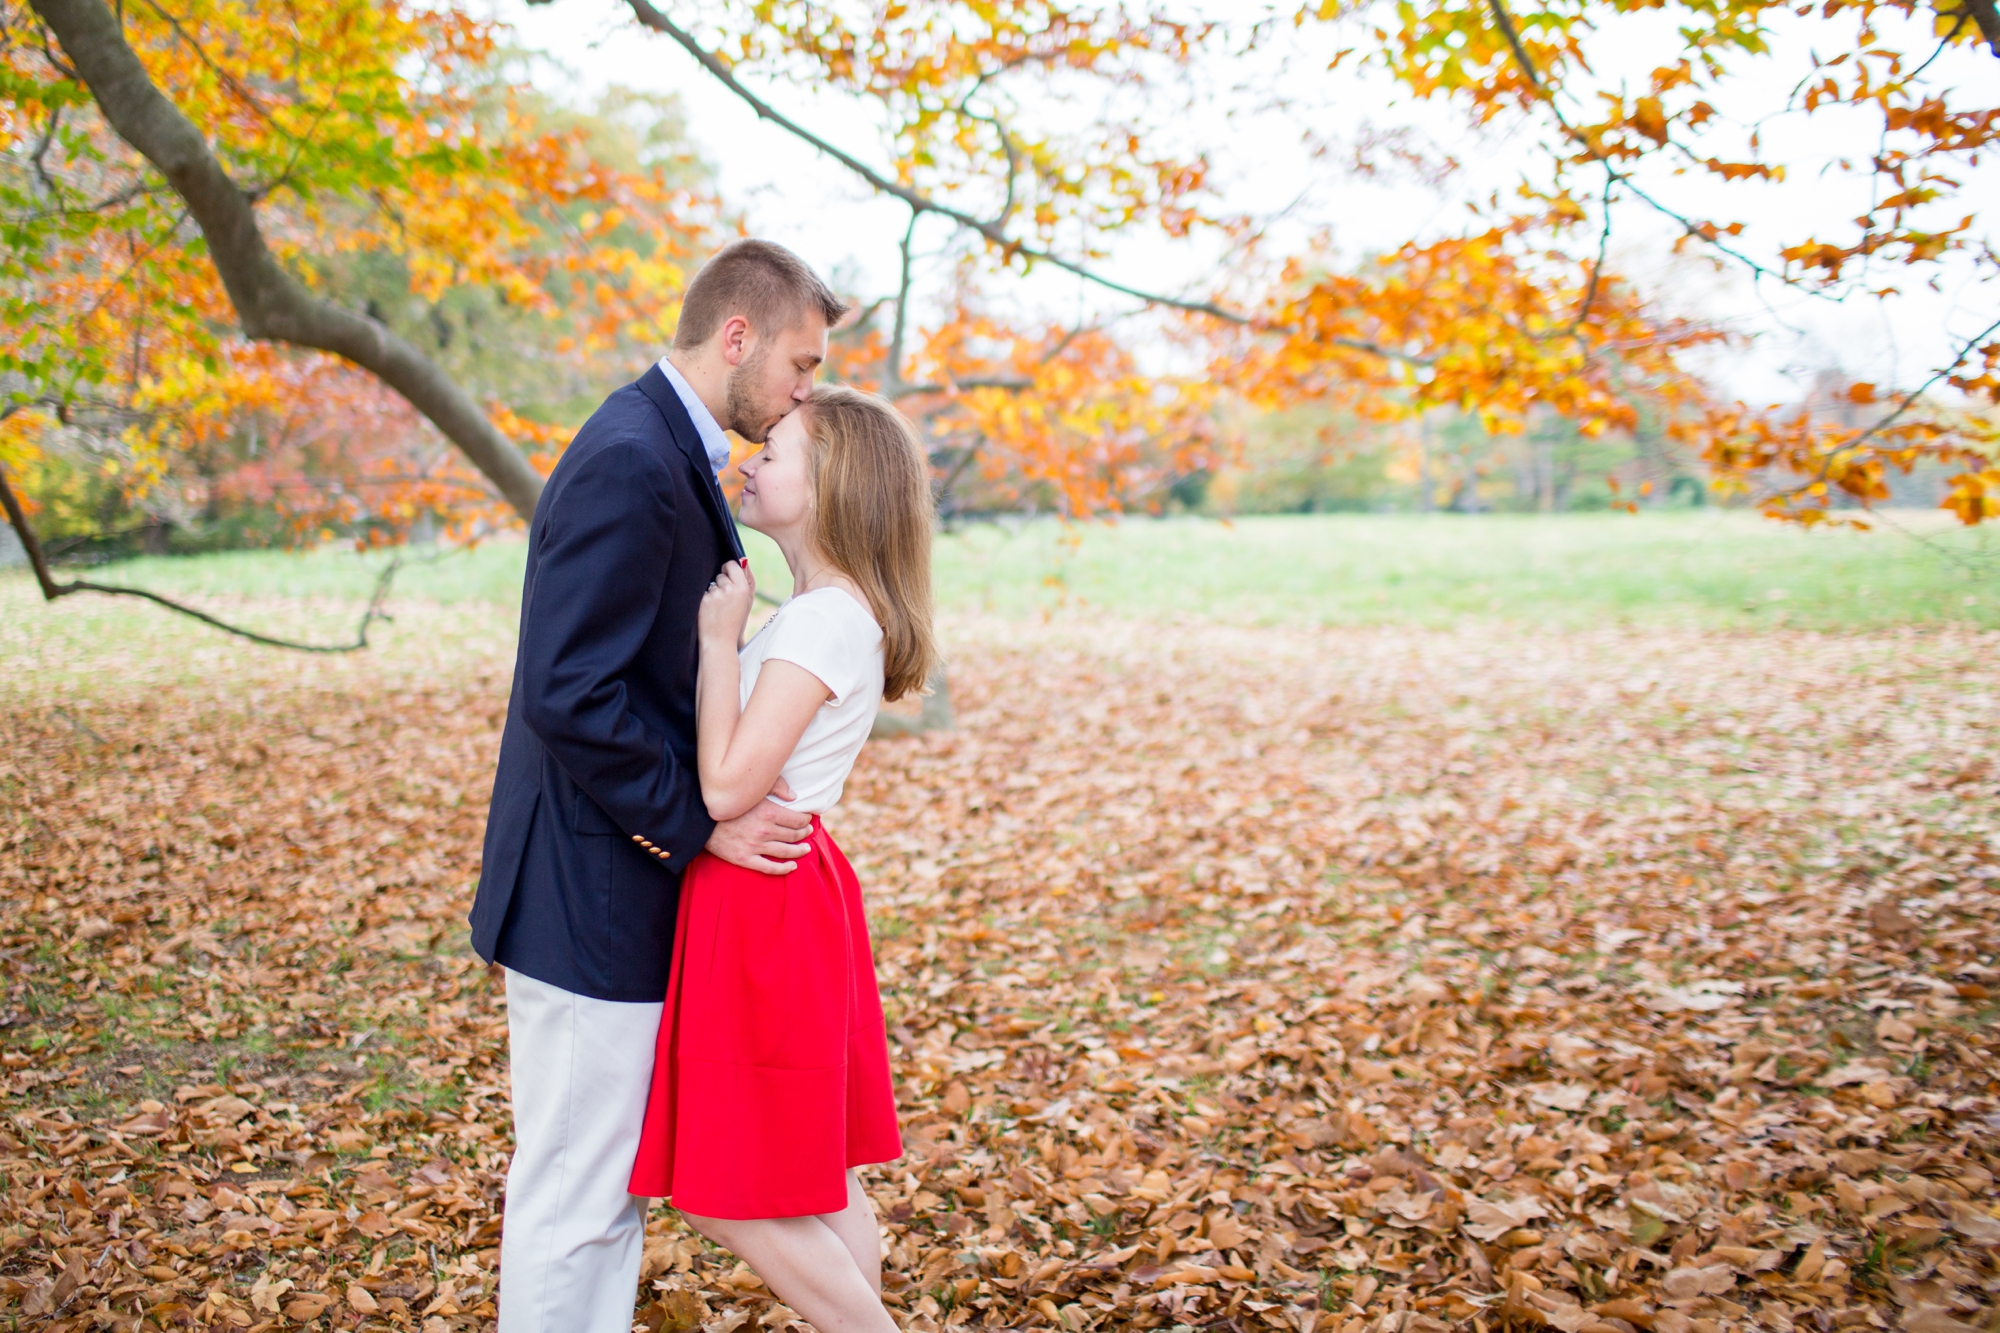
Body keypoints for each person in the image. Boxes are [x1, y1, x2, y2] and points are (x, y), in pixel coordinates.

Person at [467, 239, 849, 1333]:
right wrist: (699, 826)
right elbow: (568, 687)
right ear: (738, 337)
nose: (802, 393)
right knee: (578, 1194)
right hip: (586, 892)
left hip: (618, 888)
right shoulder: (633, 456)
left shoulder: (669, 451)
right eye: (799, 365)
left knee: (604, 1193)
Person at [628, 384, 937, 1333]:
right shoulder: (826, 611)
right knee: (819, 1174)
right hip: (781, 889)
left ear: (834, 482)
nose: (750, 461)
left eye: (778, 450)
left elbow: (725, 789)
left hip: (759, 901)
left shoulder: (821, 621)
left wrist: (719, 642)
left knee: (727, 1189)